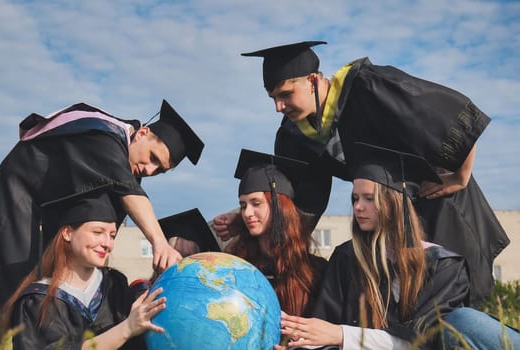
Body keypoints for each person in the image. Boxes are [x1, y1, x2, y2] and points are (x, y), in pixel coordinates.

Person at [216, 40, 509, 308]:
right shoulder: (296, 135)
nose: (279, 107)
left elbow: (453, 117)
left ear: (314, 81)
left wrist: (461, 175)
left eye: (285, 95)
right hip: (387, 223)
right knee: (402, 308)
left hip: (438, 204)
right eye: (273, 98)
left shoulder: (369, 86)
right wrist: (244, 216)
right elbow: (295, 195)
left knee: (455, 300)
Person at [0, 99, 203, 348]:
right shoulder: (101, 136)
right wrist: (159, 243)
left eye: (160, 170)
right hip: (22, 199)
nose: (149, 170)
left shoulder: (115, 289)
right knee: (17, 289)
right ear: (143, 133)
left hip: (52, 220)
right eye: (153, 158)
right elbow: (130, 192)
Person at [276, 143, 519, 350]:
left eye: (369, 199)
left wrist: (342, 335)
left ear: (395, 202)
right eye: (355, 198)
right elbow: (323, 328)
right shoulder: (346, 258)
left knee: (468, 321)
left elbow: (426, 341)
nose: (358, 207)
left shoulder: (445, 266)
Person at [0, 189, 165, 350]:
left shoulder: (116, 286)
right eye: (98, 232)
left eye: (112, 235)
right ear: (67, 233)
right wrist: (127, 328)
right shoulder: (37, 301)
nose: (108, 243)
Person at [224, 149, 326, 318]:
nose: (247, 213)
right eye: (243, 206)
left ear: (279, 207)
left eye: (256, 203)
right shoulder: (235, 264)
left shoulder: (314, 272)